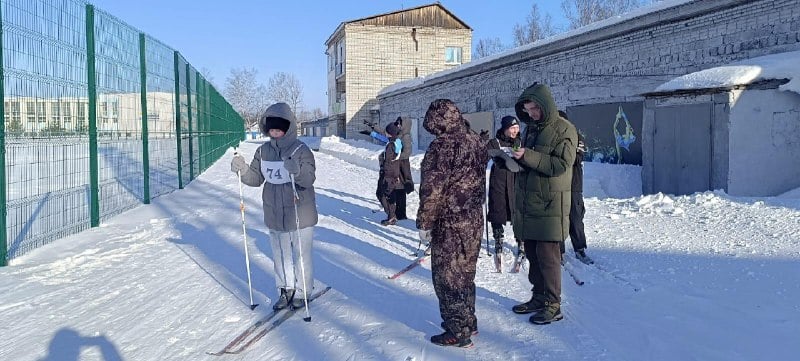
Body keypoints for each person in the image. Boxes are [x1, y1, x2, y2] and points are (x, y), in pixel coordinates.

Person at [230, 102, 318, 311]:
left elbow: (309, 179)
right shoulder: (263, 151)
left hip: (299, 212)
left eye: (279, 128)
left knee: (300, 254)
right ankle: (286, 288)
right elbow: (256, 178)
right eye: (271, 128)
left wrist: (296, 171)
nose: (275, 132)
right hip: (274, 211)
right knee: (280, 254)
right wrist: (242, 170)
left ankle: (303, 290)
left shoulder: (301, 150)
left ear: (288, 127)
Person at [416, 99, 488, 348]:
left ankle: (458, 331)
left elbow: (432, 190)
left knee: (447, 277)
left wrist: (425, 223)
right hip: (474, 218)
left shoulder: (442, 146)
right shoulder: (475, 140)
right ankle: (468, 320)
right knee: (465, 272)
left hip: (450, 222)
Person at [509, 83, 577, 325]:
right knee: (533, 255)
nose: (532, 113)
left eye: (535, 108)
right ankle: (538, 297)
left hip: (550, 204)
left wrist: (526, 155)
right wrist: (511, 159)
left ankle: (553, 304)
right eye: (528, 110)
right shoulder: (530, 129)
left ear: (546, 105)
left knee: (548, 258)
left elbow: (560, 165)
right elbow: (529, 160)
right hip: (530, 202)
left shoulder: (564, 129)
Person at [557, 110, 594, 265]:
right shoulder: (552, 138)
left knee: (576, 218)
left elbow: (576, 157)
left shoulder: (577, 137)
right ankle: (559, 251)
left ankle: (580, 249)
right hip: (557, 185)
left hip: (574, 184)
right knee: (558, 218)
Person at [486, 116, 522, 269]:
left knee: (518, 212)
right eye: (512, 128)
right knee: (497, 210)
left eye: (517, 128)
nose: (515, 131)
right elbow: (484, 156)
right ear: (505, 128)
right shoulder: (495, 142)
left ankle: (521, 241)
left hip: (515, 181)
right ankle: (498, 240)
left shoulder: (520, 142)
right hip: (499, 182)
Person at [376, 122, 404, 226]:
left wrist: (382, 161)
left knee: (382, 194)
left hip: (388, 173)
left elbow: (388, 161)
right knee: (388, 194)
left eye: (387, 131)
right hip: (394, 171)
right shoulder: (397, 142)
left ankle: (391, 216)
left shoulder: (391, 145)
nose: (385, 133)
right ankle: (392, 215)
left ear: (390, 133)